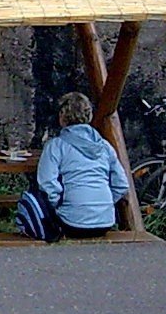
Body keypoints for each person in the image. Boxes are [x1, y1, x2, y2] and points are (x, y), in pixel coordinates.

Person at [33, 92, 129, 238]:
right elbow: (121, 184)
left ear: (62, 117)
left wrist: (58, 204)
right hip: (106, 221)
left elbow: (47, 183)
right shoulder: (104, 146)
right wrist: (104, 204)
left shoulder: (56, 145)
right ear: (89, 115)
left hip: (72, 222)